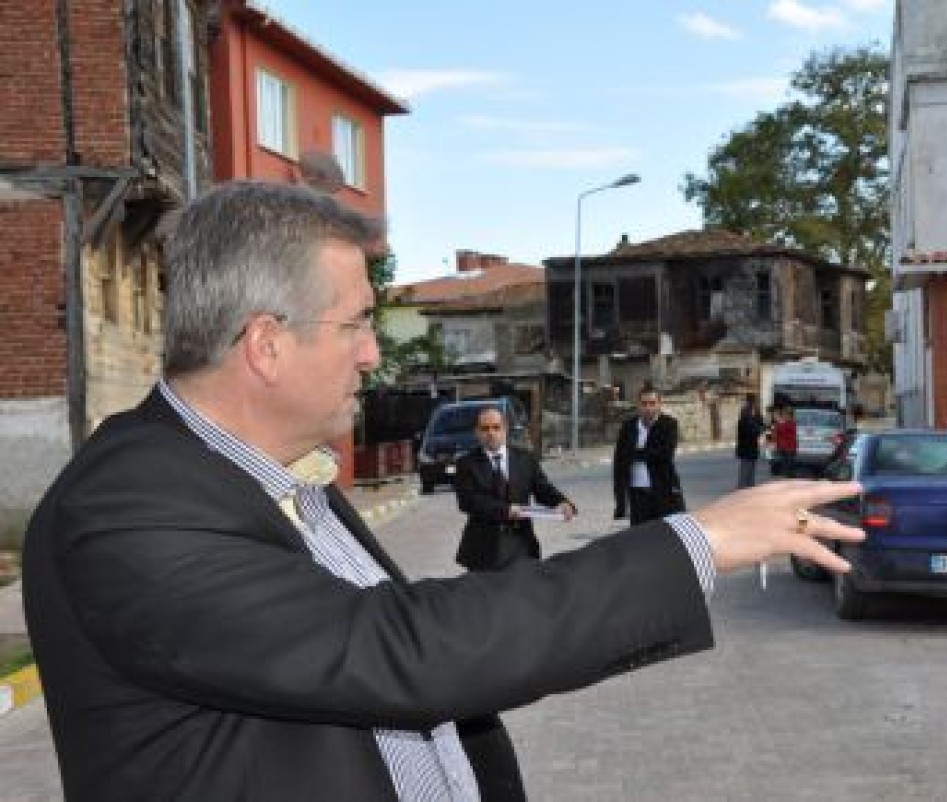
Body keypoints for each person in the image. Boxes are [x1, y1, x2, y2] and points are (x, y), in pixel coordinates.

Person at [21, 180, 865, 802]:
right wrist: (698, 542)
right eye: (354, 323)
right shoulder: (126, 508)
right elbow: (402, 652)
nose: (370, 355)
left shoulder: (278, 475)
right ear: (265, 344)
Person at [454, 406, 576, 571]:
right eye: (485, 429)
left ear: (505, 429)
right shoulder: (466, 464)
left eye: (496, 427)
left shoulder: (525, 459)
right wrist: (506, 510)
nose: (491, 433)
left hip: (521, 544)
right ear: (477, 432)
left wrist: (561, 502)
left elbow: (542, 488)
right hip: (483, 550)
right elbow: (468, 502)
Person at [612, 385, 684, 525]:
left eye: (652, 403)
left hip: (664, 491)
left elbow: (664, 454)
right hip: (637, 494)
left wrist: (634, 453)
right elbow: (620, 462)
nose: (648, 408)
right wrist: (620, 499)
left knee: (667, 535)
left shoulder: (668, 424)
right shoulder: (628, 427)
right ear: (638, 405)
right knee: (640, 538)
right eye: (644, 404)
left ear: (659, 404)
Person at [734, 394, 767, 489]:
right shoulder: (745, 416)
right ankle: (742, 490)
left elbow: (760, 424)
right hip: (746, 448)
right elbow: (754, 429)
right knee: (746, 470)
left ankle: (749, 489)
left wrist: (761, 422)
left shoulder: (752, 412)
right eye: (756, 401)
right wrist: (761, 428)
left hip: (751, 448)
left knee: (750, 470)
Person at [773, 405, 799, 478]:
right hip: (785, 447)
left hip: (788, 448)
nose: (783, 415)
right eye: (783, 414)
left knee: (788, 467)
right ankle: (788, 479)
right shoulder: (787, 423)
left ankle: (789, 480)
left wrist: (779, 422)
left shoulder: (790, 423)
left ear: (789, 415)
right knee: (787, 467)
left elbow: (781, 431)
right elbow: (776, 433)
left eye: (784, 414)